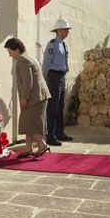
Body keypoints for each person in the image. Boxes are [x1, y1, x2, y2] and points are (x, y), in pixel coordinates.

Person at [4, 38, 51, 158]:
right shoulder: (29, 57)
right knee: (29, 124)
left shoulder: (22, 60)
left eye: (10, 52)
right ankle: (28, 149)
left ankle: (42, 145)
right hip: (39, 96)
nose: (10, 55)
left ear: (16, 49)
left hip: (33, 97)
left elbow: (27, 81)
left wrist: (24, 98)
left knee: (31, 124)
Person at [42, 18, 73, 146]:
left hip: (61, 77)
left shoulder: (63, 44)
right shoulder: (53, 44)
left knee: (60, 106)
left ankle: (59, 132)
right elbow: (46, 63)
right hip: (53, 77)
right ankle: (51, 136)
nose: (67, 32)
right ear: (59, 30)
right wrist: (44, 79)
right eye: (66, 29)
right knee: (53, 108)